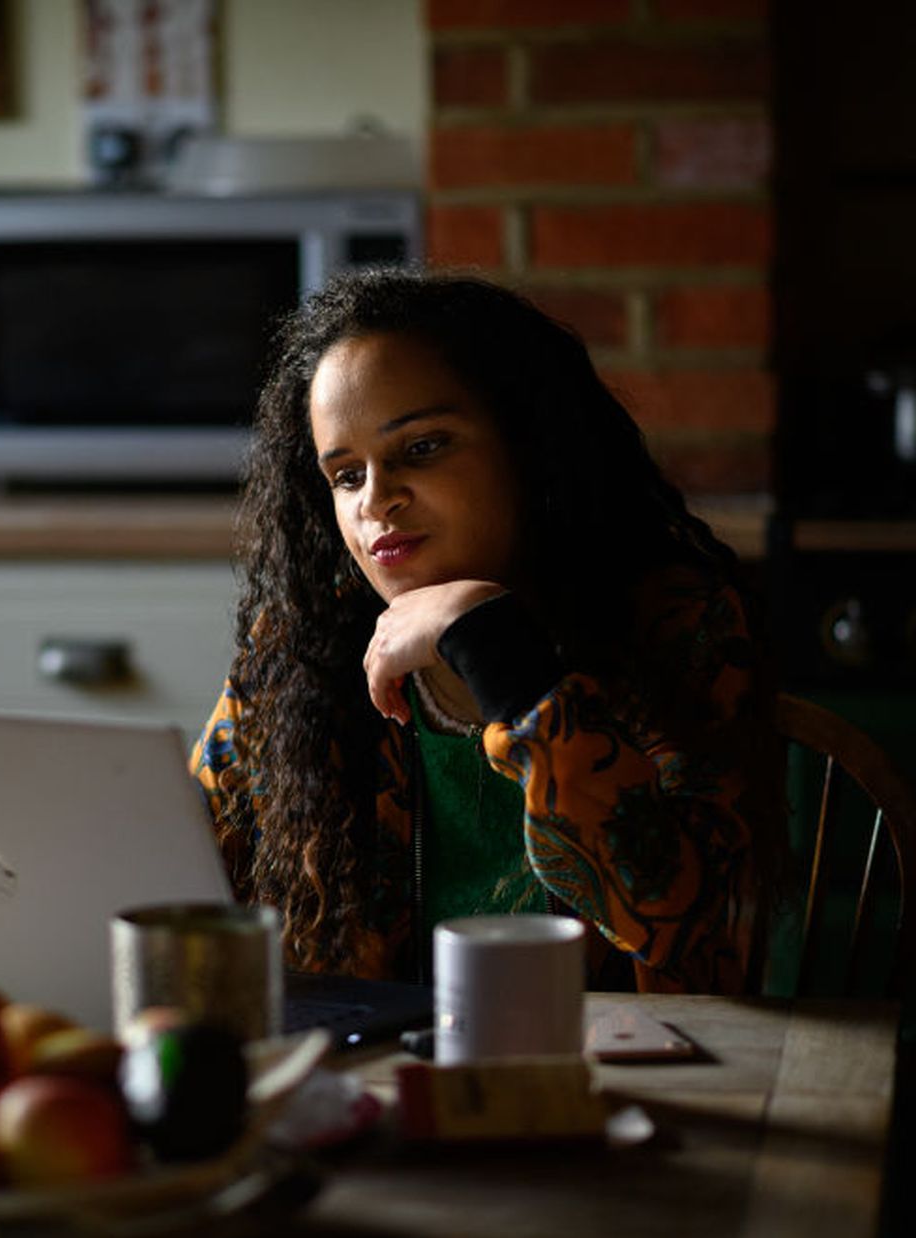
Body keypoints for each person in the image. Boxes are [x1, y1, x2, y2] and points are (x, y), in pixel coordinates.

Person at [189, 268, 782, 994]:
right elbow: (181, 860)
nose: (377, 499)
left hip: (622, 1078)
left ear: (530, 446)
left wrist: (492, 646)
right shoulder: (306, 647)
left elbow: (685, 918)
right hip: (376, 1080)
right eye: (345, 475)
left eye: (424, 447)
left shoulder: (674, 624)